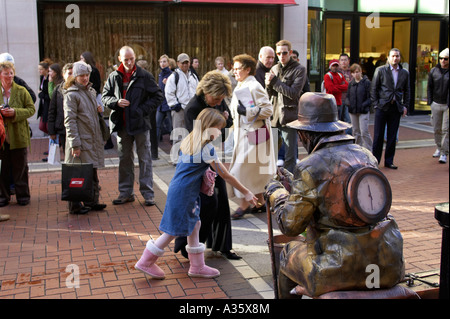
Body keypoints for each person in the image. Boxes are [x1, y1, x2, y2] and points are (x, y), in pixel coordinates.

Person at [265, 92, 404, 298]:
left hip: (336, 268)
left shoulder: (309, 166)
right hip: (386, 262)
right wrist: (296, 185)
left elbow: (290, 225)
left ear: (305, 134)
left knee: (287, 254)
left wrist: (278, 194)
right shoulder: (366, 155)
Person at [134, 108, 257, 280]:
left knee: (194, 224)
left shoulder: (190, 140)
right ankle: (146, 262)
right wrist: (247, 192)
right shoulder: (207, 149)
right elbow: (226, 175)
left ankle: (197, 266)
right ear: (209, 127)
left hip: (180, 191)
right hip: (185, 194)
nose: (220, 132)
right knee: (173, 231)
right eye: (218, 128)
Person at [180, 71, 238, 259]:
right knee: (200, 204)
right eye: (216, 98)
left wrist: (226, 119)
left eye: (222, 98)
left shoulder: (218, 99)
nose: (219, 101)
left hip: (211, 154)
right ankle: (188, 246)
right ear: (206, 91)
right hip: (197, 161)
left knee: (220, 201)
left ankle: (223, 246)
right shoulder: (192, 108)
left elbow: (227, 125)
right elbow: (196, 139)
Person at [102, 46, 163, 206]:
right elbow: (105, 96)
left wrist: (142, 110)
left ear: (135, 58)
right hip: (122, 125)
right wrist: (116, 102)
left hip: (140, 124)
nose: (129, 62)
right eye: (126, 59)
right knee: (124, 159)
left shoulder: (144, 75)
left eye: (132, 59)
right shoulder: (114, 77)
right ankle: (126, 193)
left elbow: (158, 96)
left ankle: (148, 194)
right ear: (120, 59)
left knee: (145, 158)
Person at [228, 54, 276, 219]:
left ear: (248, 69)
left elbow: (268, 110)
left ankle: (244, 204)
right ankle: (260, 202)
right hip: (245, 134)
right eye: (233, 69)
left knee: (239, 170)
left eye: (237, 68)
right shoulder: (242, 84)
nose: (234, 72)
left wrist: (247, 112)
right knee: (254, 170)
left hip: (255, 134)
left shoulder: (254, 86)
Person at [63, 61, 107, 214]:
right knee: (77, 172)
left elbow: (89, 115)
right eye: (81, 75)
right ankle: (75, 205)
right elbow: (70, 120)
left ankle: (92, 201)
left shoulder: (90, 91)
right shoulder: (72, 95)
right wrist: (75, 144)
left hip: (91, 138)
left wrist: (98, 110)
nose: (85, 78)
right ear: (75, 76)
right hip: (81, 140)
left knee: (92, 171)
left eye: (86, 75)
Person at [266, 39, 307, 173]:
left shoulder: (299, 69)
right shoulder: (275, 68)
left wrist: (275, 82)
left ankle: (289, 182)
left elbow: (294, 94)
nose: (281, 56)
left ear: (289, 52)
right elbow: (270, 94)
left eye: (284, 53)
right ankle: (272, 180)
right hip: (274, 116)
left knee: (290, 155)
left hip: (289, 117)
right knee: (271, 151)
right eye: (278, 53)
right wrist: (268, 84)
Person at [0, 61, 36, 207]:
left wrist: (15, 112)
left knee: (20, 167)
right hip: (1, 137)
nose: (9, 76)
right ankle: (3, 196)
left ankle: (23, 195)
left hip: (18, 135)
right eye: (6, 73)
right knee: (2, 169)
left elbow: (31, 109)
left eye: (11, 73)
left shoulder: (21, 90)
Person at [371, 48, 410, 169]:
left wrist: (405, 106)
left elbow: (407, 90)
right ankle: (375, 161)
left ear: (399, 58)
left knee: (392, 137)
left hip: (396, 107)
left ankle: (389, 161)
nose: (395, 58)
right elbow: (374, 88)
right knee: (378, 136)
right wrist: (376, 104)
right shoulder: (380, 70)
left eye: (397, 56)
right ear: (388, 58)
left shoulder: (404, 73)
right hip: (382, 107)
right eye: (393, 56)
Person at [165, 53, 198, 152]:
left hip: (191, 109)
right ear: (178, 63)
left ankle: (187, 157)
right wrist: (175, 105)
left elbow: (197, 90)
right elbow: (169, 92)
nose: (185, 65)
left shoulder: (193, 76)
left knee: (190, 134)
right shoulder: (174, 76)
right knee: (178, 134)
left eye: (187, 62)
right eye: (183, 63)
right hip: (179, 110)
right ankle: (177, 158)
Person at [427, 47, 449, 164]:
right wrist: (430, 101)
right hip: (435, 103)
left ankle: (444, 153)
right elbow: (429, 87)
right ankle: (439, 147)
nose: (443, 61)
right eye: (441, 58)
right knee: (436, 129)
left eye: (445, 59)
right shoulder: (434, 71)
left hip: (447, 105)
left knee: (445, 129)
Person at [344, 63, 373, 150]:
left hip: (363, 110)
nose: (356, 74)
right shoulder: (351, 84)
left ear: (361, 72)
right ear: (352, 74)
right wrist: (348, 103)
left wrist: (364, 105)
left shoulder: (367, 83)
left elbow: (370, 97)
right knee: (356, 131)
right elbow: (348, 96)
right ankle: (358, 149)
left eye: (358, 72)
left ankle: (369, 150)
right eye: (354, 72)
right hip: (353, 110)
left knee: (364, 131)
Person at [48, 63, 73, 154]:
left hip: (79, 129)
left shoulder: (82, 89)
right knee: (68, 155)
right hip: (63, 128)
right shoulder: (58, 89)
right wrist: (51, 131)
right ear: (63, 74)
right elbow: (52, 110)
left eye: (74, 73)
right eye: (69, 73)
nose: (72, 76)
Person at [156, 54, 173, 143]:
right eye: (161, 62)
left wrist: (168, 84)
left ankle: (173, 142)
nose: (162, 63)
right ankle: (155, 143)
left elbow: (174, 89)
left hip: (169, 103)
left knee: (171, 125)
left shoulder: (171, 74)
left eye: (164, 62)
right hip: (161, 103)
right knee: (157, 124)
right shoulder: (160, 74)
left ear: (168, 63)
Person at [37, 59, 52, 135]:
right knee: (41, 126)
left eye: (41, 69)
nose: (39, 71)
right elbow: (40, 89)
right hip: (43, 105)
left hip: (48, 105)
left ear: (46, 70)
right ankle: (52, 136)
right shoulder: (42, 78)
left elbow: (50, 95)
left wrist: (41, 94)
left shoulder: (50, 79)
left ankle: (54, 138)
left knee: (46, 126)